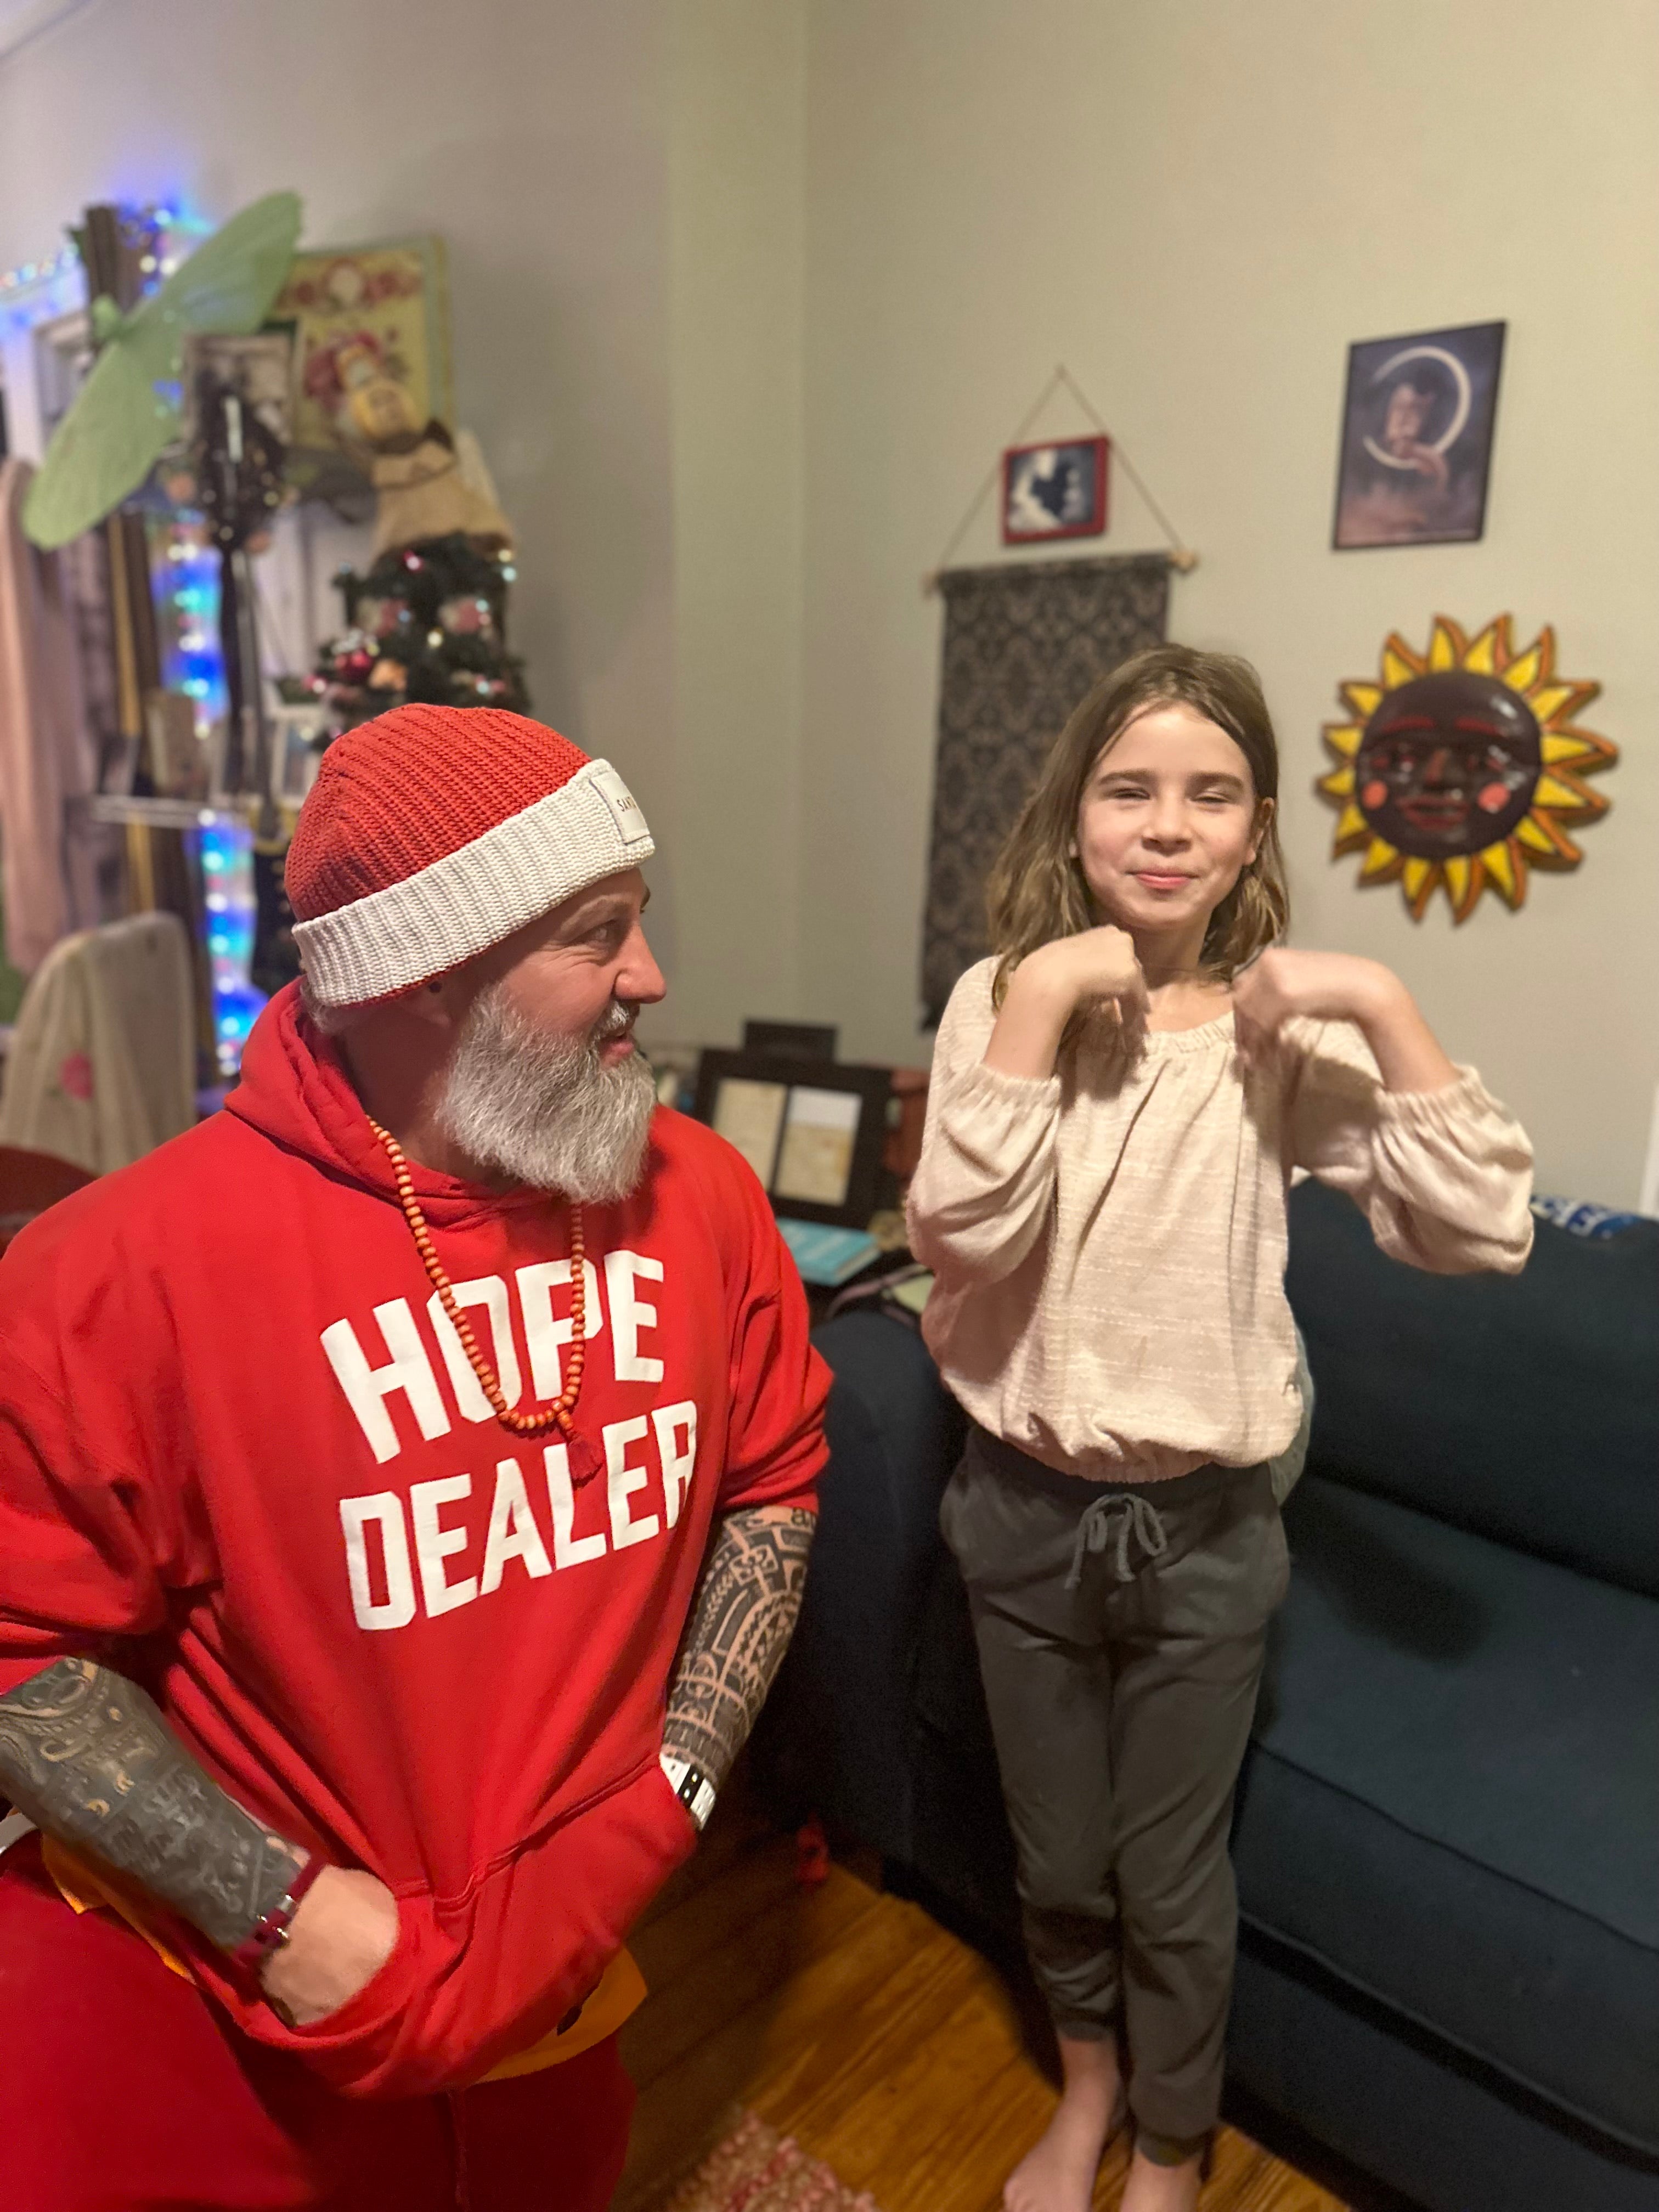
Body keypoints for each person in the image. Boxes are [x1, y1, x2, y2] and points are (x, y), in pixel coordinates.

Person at [0, 703, 831, 2212]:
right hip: (230, 2024)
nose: (653, 976)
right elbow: (17, 1655)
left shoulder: (701, 1197)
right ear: (427, 972)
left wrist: (677, 1793)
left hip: (573, 1990)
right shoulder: (113, 1277)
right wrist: (292, 1924)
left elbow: (774, 1483)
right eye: (599, 936)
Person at [905, 645, 1533, 2212]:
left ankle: (1173, 2148)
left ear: (1255, 828)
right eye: (1131, 789)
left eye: (1210, 793)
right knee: (1058, 1863)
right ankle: (1090, 2091)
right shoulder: (1004, 999)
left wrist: (1378, 999)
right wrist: (1045, 992)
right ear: (1074, 817)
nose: (1167, 824)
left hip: (1205, 1535)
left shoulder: (1280, 1036)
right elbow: (963, 1241)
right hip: (1020, 1512)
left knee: (1171, 1879)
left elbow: (1481, 1229)